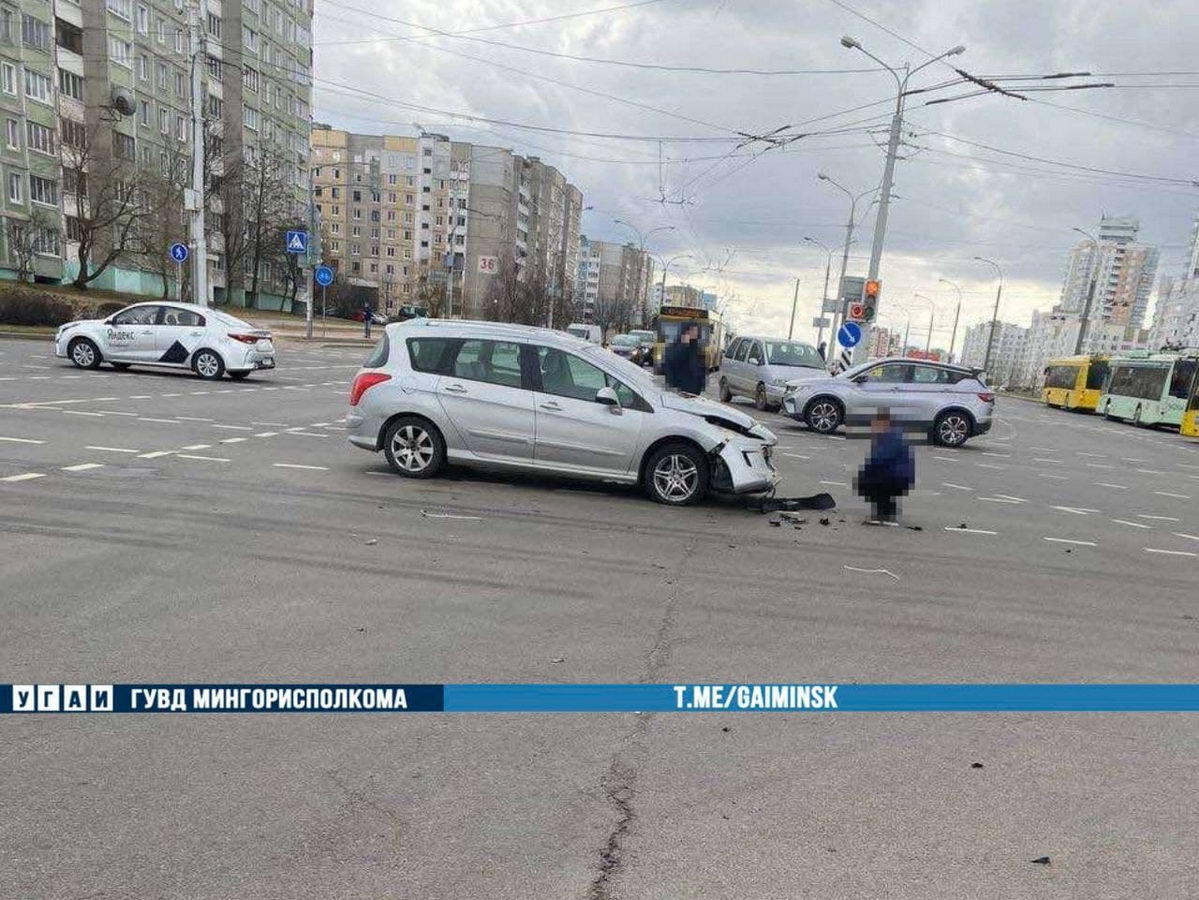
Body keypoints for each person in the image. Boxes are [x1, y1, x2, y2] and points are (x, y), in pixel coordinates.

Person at [855, 408, 915, 524]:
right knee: (873, 479)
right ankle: (886, 513)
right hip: (897, 476)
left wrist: (865, 472)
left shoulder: (891, 437)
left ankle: (884, 515)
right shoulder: (892, 435)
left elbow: (881, 458)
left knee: (872, 481)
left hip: (896, 477)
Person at [663, 325, 707, 396]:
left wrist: (701, 383)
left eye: (696, 332)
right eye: (692, 331)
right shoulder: (678, 345)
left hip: (694, 389)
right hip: (681, 388)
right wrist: (684, 343)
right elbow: (671, 361)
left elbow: (701, 366)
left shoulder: (697, 347)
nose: (694, 334)